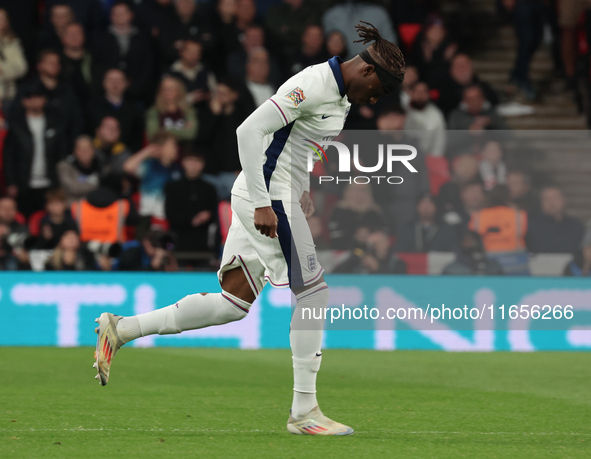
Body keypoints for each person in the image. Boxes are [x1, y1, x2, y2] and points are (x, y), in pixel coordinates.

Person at [93, 21, 405, 436]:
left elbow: (301, 144)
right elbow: (249, 130)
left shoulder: (342, 97)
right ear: (367, 71)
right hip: (267, 199)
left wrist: (304, 185)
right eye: (378, 91)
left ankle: (122, 328)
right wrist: (263, 202)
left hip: (279, 195)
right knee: (314, 292)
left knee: (232, 303)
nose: (374, 101)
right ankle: (304, 412)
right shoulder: (313, 83)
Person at [4, 84, 68, 217]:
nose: (34, 100)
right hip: (24, 184)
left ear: (44, 99)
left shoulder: (54, 124)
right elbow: (9, 157)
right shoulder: (16, 126)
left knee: (48, 220)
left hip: (49, 183)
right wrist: (11, 183)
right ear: (23, 101)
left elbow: (61, 155)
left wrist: (59, 182)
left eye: (38, 96)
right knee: (25, 219)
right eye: (29, 97)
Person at [93, 1, 154, 104]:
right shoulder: (101, 40)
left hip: (138, 94)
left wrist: (135, 87)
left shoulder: (143, 39)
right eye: (116, 14)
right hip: (108, 97)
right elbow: (98, 66)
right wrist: (112, 85)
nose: (119, 16)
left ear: (130, 15)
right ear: (111, 17)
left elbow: (148, 66)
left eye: (123, 13)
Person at [123, 132, 182, 227]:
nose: (177, 148)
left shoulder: (178, 170)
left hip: (167, 220)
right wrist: (148, 150)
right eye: (173, 145)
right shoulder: (150, 165)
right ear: (160, 147)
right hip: (146, 218)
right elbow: (128, 167)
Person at [164, 152, 218, 252]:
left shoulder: (209, 189)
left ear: (203, 164)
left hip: (204, 242)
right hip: (178, 241)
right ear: (183, 162)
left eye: (197, 161)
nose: (193, 164)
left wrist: (206, 217)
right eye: (190, 160)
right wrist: (192, 221)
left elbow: (215, 214)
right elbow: (169, 214)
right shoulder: (172, 187)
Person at [89, 68, 144, 152]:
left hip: (126, 156)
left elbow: (137, 138)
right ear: (104, 83)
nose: (115, 83)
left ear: (126, 84)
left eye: (119, 80)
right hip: (95, 153)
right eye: (111, 80)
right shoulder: (92, 107)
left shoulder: (134, 110)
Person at [328, 183, 387, 250]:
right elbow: (336, 235)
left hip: (371, 247)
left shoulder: (374, 212)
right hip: (344, 248)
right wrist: (357, 235)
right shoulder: (339, 210)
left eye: (363, 190)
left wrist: (367, 232)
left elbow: (384, 231)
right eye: (356, 189)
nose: (359, 193)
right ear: (348, 191)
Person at [526, 186, 584, 253]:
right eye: (546, 199)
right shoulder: (530, 226)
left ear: (564, 200)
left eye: (555, 198)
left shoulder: (576, 226)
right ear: (541, 203)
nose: (551, 202)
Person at [145, 76, 198, 142]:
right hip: (161, 149)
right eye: (164, 88)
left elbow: (191, 134)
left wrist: (162, 130)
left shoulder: (188, 111)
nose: (167, 91)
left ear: (179, 91)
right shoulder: (154, 111)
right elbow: (152, 135)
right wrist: (182, 130)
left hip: (184, 149)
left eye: (171, 88)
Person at [168, 40, 216, 108]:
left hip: (204, 112)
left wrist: (208, 96)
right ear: (181, 52)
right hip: (180, 113)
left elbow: (215, 92)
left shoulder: (205, 71)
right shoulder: (172, 72)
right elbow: (167, 99)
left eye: (196, 52)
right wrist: (191, 98)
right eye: (189, 51)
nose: (193, 55)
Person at [57, 135, 104, 205]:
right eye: (81, 149)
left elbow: (108, 186)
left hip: (97, 206)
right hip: (73, 208)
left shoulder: (101, 165)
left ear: (93, 150)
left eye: (88, 149)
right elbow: (72, 188)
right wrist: (97, 184)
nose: (85, 152)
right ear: (74, 151)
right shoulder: (65, 166)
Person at [404, 81, 446, 157]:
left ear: (428, 94)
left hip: (428, 158)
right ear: (410, 93)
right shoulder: (402, 112)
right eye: (417, 91)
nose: (421, 95)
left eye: (424, 92)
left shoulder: (436, 114)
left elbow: (439, 141)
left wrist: (434, 158)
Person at [0, 8, 28, 110]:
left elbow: (21, 67)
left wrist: (3, 71)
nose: (1, 21)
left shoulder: (12, 42)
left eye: (3, 18)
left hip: (7, 97)